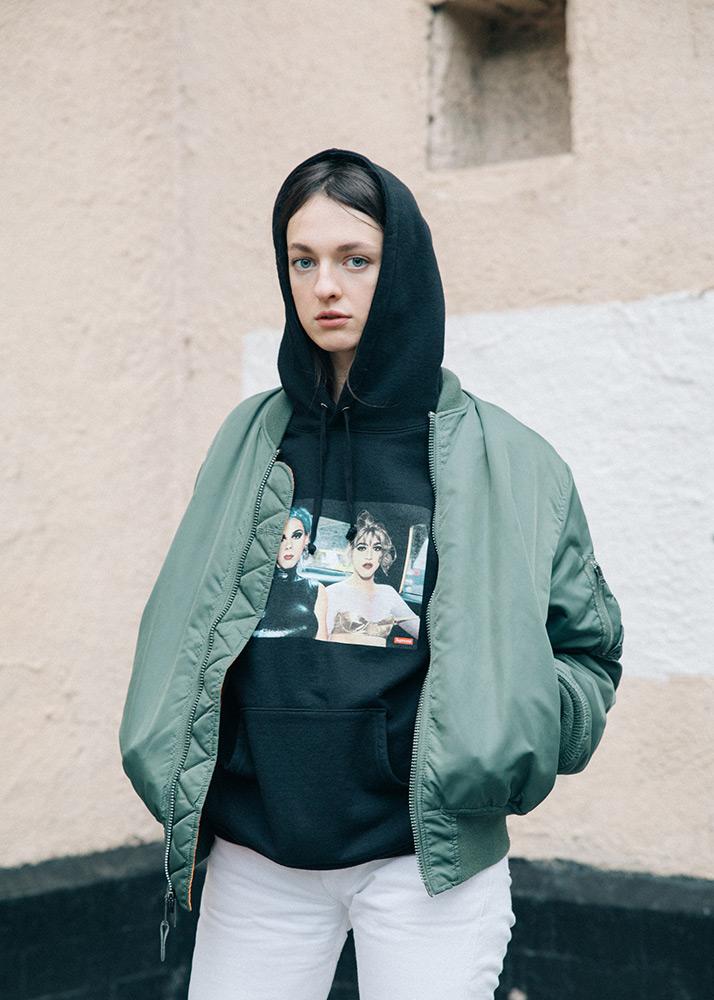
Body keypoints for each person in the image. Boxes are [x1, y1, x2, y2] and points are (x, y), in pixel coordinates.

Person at [118, 147, 625, 1000]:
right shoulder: (248, 438)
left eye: (356, 260)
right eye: (303, 261)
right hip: (258, 855)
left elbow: (588, 651)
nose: (326, 286)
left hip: (427, 864)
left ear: (404, 269)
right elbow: (191, 620)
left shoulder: (512, 458)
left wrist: (515, 734)